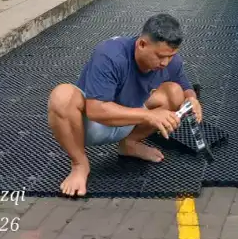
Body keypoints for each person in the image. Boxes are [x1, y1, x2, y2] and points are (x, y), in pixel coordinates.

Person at [47, 13, 202, 197]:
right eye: (160, 56)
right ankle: (80, 165)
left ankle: (129, 144)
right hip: (90, 125)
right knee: (62, 96)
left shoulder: (170, 60)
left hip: (128, 120)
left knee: (175, 92)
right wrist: (148, 115)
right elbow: (96, 109)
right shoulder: (110, 54)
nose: (165, 62)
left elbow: (185, 86)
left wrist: (192, 99)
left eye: (170, 56)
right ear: (142, 44)